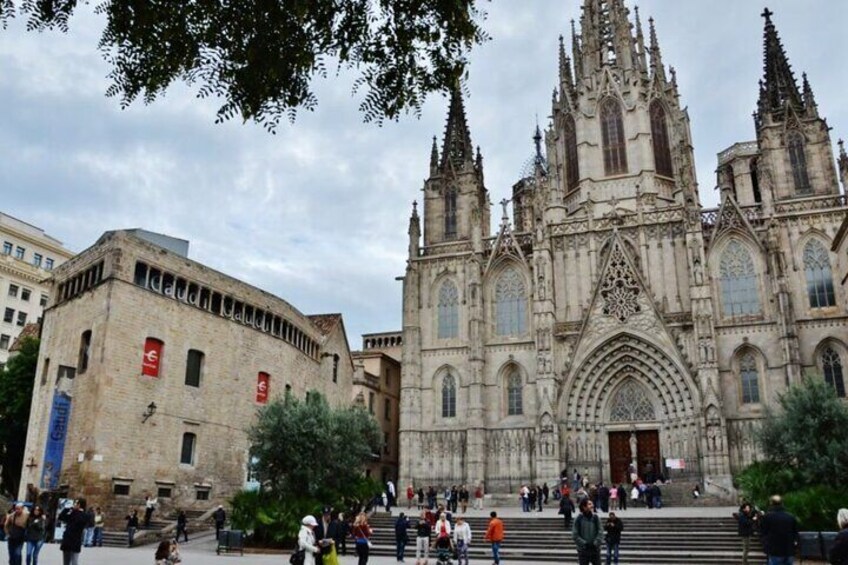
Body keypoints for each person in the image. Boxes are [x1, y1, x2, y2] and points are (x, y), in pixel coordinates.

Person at [759, 495, 799, 565]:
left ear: (771, 503)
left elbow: (763, 532)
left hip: (774, 550)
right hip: (789, 550)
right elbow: (795, 533)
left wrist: (765, 544)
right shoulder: (790, 517)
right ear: (782, 503)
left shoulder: (767, 517)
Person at [572, 498, 603, 565]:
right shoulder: (578, 518)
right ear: (584, 507)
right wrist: (584, 543)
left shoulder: (596, 518)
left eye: (592, 504)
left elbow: (601, 532)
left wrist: (595, 543)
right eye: (589, 504)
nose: (592, 505)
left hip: (595, 549)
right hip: (583, 550)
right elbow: (575, 534)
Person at [59, 498, 87, 565]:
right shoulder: (71, 512)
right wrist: (66, 509)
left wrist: (75, 511)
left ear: (79, 505)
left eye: (76, 503)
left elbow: (79, 522)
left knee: (74, 561)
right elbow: (61, 517)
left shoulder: (84, 515)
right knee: (66, 562)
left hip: (75, 541)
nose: (74, 504)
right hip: (67, 540)